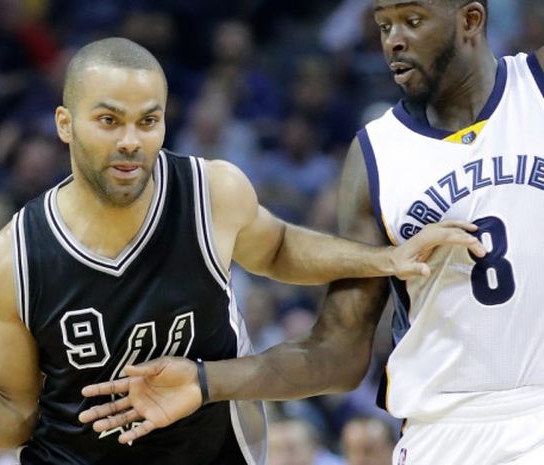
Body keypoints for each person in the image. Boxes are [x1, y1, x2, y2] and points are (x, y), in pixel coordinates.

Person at [0, 37, 482, 465]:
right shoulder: (14, 256)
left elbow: (281, 247)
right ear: (66, 124)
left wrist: (385, 258)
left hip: (212, 451)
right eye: (109, 120)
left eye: (148, 121)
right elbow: (12, 403)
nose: (131, 140)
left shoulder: (212, 191)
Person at [77, 4, 544, 464]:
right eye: (384, 25)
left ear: (471, 20)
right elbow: (338, 352)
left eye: (413, 21)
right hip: (444, 432)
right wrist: (206, 381)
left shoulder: (535, 85)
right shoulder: (377, 154)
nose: (393, 40)